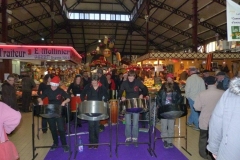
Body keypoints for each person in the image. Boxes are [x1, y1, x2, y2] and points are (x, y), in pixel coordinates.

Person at [207, 77, 240, 160]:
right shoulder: (222, 92)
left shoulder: (230, 93)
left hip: (231, 149)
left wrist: (214, 148)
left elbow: (216, 123)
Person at [194, 76, 224, 159]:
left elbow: (197, 107)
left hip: (205, 119)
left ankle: (203, 154)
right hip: (219, 121)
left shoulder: (201, 94)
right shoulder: (222, 93)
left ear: (206, 83)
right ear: (215, 82)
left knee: (203, 137)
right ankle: (215, 154)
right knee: (217, 138)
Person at [38, 76, 70, 152]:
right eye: (52, 85)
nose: (53, 87)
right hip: (50, 110)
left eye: (55, 86)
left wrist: (64, 102)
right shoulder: (47, 90)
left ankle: (64, 144)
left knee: (61, 129)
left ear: (57, 85)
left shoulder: (60, 90)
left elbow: (68, 98)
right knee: (52, 128)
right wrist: (40, 101)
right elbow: (40, 97)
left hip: (59, 110)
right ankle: (55, 143)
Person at [118, 70, 147, 147]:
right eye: (129, 76)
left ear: (134, 77)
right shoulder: (124, 83)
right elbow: (120, 91)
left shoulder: (138, 82)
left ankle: (135, 138)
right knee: (127, 123)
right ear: (128, 76)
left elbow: (145, 89)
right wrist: (122, 96)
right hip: (128, 104)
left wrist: (141, 94)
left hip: (136, 104)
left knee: (135, 123)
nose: (131, 78)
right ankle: (128, 137)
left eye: (132, 76)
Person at [80, 74, 108, 149]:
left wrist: (104, 100)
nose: (94, 84)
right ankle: (91, 142)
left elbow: (106, 96)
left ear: (98, 81)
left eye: (95, 82)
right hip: (90, 108)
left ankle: (96, 142)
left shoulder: (102, 87)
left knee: (96, 125)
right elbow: (82, 95)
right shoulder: (88, 86)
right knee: (90, 125)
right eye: (92, 82)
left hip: (98, 108)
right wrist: (84, 100)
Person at [156, 73, 183, 149]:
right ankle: (165, 139)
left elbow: (180, 98)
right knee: (164, 125)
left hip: (172, 110)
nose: (168, 93)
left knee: (171, 126)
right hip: (164, 110)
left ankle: (170, 140)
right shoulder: (162, 90)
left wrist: (175, 106)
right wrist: (161, 106)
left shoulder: (175, 90)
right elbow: (158, 98)